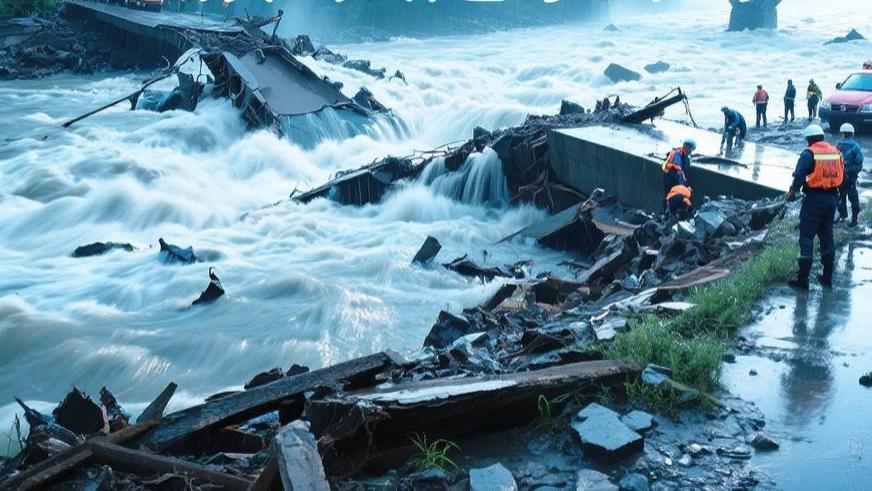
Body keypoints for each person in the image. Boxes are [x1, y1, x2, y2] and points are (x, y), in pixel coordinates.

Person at [786, 124, 845, 289]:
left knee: (806, 237)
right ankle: (827, 277)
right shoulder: (836, 152)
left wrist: (792, 191)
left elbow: (799, 176)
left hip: (813, 199)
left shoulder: (809, 153)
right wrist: (841, 198)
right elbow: (843, 177)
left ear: (810, 139)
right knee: (827, 235)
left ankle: (802, 279)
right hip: (831, 199)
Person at [836, 123, 864, 227]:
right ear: (852, 133)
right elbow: (859, 160)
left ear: (841, 133)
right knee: (853, 197)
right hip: (851, 176)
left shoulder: (838, 145)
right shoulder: (855, 145)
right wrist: (855, 171)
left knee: (841, 196)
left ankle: (842, 216)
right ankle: (854, 219)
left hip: (840, 176)